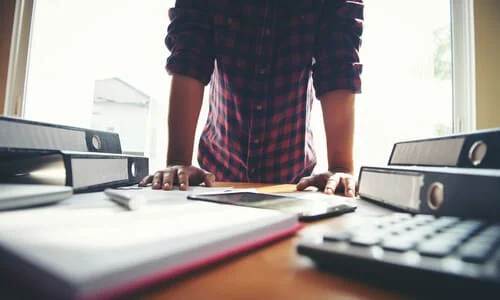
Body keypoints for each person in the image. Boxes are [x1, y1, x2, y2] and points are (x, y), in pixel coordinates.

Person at [139, 0, 364, 197]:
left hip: (294, 185)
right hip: (214, 180)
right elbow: (189, 58)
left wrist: (340, 167)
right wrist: (179, 162)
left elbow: (338, 66)